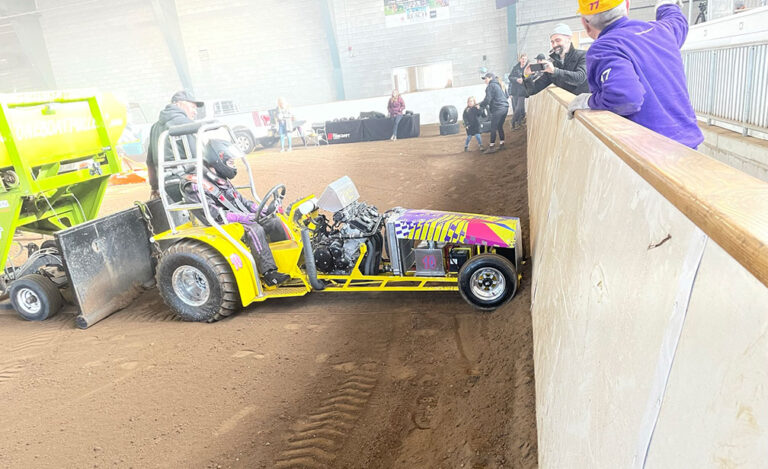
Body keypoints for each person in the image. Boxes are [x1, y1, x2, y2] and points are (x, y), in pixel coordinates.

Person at [567, 0, 705, 149]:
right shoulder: (661, 31)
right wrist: (665, 5)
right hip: (689, 150)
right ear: (627, 5)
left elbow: (625, 98)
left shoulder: (604, 48)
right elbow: (678, 21)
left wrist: (588, 102)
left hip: (649, 155)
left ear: (585, 23)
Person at [179, 139, 291, 287]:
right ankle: (269, 273)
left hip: (233, 218)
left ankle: (289, 262)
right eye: (230, 162)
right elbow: (214, 215)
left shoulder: (218, 177)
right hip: (216, 224)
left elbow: (240, 200)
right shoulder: (194, 184)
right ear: (218, 159)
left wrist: (260, 210)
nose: (233, 165)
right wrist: (246, 217)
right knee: (254, 229)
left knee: (273, 221)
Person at [146, 90, 203, 200]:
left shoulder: (155, 127)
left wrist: (154, 186)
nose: (195, 111)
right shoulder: (187, 124)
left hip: (166, 184)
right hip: (188, 183)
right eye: (192, 107)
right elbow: (199, 156)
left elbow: (150, 162)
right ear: (178, 104)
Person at [524, 23, 589, 96]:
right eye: (552, 42)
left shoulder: (584, 55)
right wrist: (527, 76)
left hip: (585, 105)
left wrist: (554, 71)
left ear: (569, 39)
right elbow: (532, 90)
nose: (554, 45)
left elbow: (579, 78)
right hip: (566, 105)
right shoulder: (553, 63)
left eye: (558, 40)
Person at [478, 72, 509, 154]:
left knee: (493, 127)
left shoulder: (490, 86)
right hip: (505, 108)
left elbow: (487, 99)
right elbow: (507, 96)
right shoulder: (500, 84)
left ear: (490, 78)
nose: (485, 80)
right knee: (499, 126)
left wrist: (480, 105)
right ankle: (502, 143)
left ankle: (492, 146)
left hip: (498, 109)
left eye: (486, 78)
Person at [508, 53, 529, 130]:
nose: (524, 60)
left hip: (522, 91)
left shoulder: (528, 68)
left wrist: (523, 80)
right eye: (522, 59)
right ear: (520, 59)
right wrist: (516, 79)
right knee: (516, 107)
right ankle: (518, 123)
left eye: (525, 59)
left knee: (519, 107)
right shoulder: (515, 68)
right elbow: (510, 77)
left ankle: (512, 121)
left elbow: (531, 77)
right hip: (515, 90)